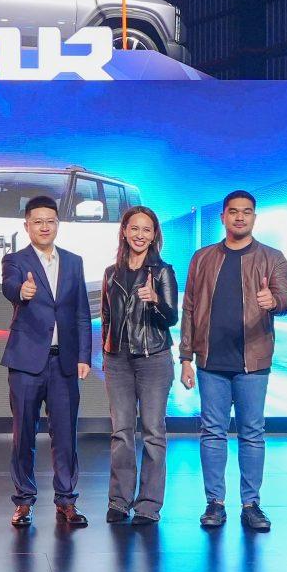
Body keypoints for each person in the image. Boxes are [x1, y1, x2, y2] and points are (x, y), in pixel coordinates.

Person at [180, 189, 287, 531]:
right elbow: (189, 308)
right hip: (210, 361)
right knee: (212, 432)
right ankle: (214, 503)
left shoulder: (272, 257)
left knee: (252, 433)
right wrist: (185, 357)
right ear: (223, 217)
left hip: (253, 360)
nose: (240, 217)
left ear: (254, 217)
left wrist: (273, 301)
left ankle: (251, 504)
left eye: (246, 211)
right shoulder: (202, 258)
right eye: (233, 211)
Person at [0, 195, 93, 529]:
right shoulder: (15, 260)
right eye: (37, 222)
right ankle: (24, 501)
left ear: (57, 224)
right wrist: (21, 292)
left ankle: (66, 500)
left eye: (50, 221)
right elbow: (10, 287)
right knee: (23, 433)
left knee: (65, 434)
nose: (44, 227)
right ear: (27, 225)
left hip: (63, 362)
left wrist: (84, 355)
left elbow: (81, 312)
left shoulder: (73, 261)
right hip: (26, 360)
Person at [99, 205, 178, 525]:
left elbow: (172, 317)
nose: (140, 235)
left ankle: (148, 505)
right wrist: (106, 350)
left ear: (154, 235)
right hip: (118, 360)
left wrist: (155, 300)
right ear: (124, 231)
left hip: (153, 357)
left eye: (147, 230)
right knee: (121, 432)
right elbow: (106, 317)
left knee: (153, 432)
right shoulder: (111, 273)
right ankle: (119, 501)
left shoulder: (162, 271)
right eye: (134, 228)